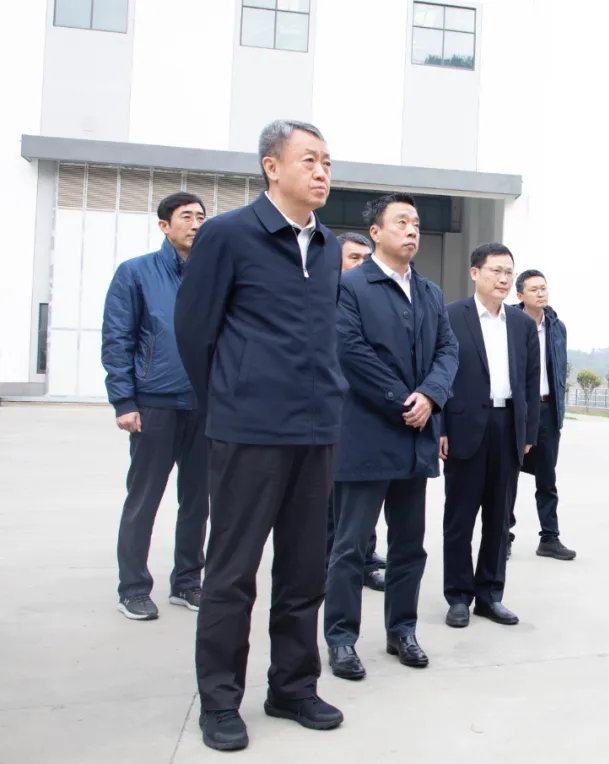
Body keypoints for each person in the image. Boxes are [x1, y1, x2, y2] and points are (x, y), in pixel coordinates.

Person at [174, 119, 348, 751]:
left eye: (327, 162)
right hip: (248, 433)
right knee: (231, 572)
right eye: (309, 160)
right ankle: (220, 700)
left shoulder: (328, 246)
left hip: (317, 433)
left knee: (304, 570)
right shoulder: (227, 235)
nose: (322, 172)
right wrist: (229, 399)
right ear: (271, 167)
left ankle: (293, 687)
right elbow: (194, 331)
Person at [324, 193, 459, 678]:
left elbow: (447, 350)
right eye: (401, 221)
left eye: (416, 223)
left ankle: (402, 630)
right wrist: (405, 400)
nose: (412, 230)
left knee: (409, 546)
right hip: (367, 433)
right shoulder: (350, 286)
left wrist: (431, 396)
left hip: (414, 438)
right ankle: (341, 638)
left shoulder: (429, 292)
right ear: (376, 232)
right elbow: (350, 351)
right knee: (350, 546)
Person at [101, 192, 210, 621]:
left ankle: (187, 581)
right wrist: (124, 401)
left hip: (203, 406)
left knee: (197, 501)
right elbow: (117, 339)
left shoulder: (212, 275)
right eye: (186, 217)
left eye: (201, 217)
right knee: (144, 499)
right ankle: (132, 588)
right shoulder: (136, 273)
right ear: (164, 225)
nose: (196, 224)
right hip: (154, 405)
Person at [439, 243, 539, 628]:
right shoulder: (452, 316)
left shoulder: (522, 325)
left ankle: (490, 595)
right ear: (475, 273)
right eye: (496, 270)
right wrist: (440, 427)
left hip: (507, 426)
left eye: (508, 272)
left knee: (499, 520)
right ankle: (458, 596)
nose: (503, 279)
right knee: (460, 518)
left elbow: (530, 383)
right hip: (464, 428)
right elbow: (438, 373)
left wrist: (528, 432)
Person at [326, 230, 387, 593]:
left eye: (367, 259)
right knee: (331, 497)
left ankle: (365, 558)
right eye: (354, 258)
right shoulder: (324, 298)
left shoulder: (374, 302)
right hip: (331, 409)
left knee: (366, 492)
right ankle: (330, 562)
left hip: (368, 408)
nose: (362, 265)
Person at [508, 269, 575, 561]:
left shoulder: (557, 327)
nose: (541, 293)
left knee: (547, 478)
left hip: (547, 409)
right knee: (507, 477)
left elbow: (558, 371)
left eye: (544, 288)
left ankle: (549, 538)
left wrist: (558, 414)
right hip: (515, 410)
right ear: (520, 295)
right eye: (534, 289)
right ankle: (503, 536)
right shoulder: (508, 323)